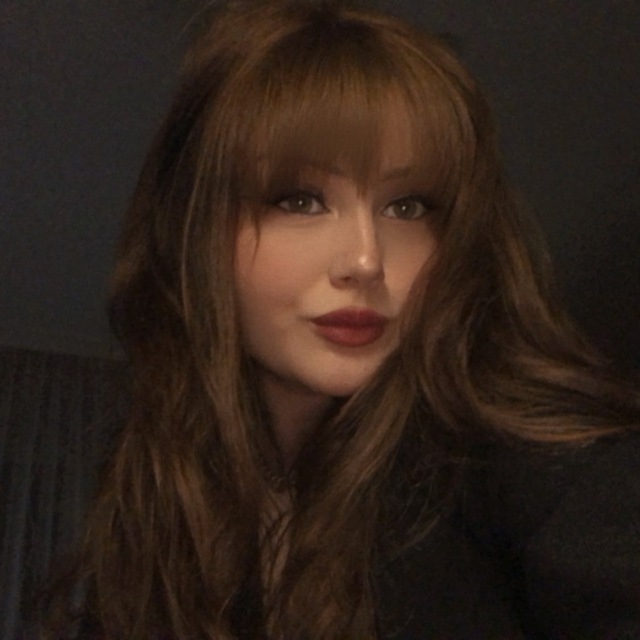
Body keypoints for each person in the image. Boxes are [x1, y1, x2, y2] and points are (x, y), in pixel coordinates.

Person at [40, 0, 640, 637]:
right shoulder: (158, 488)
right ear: (194, 228)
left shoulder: (540, 471)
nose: (364, 260)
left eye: (408, 207)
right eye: (300, 200)